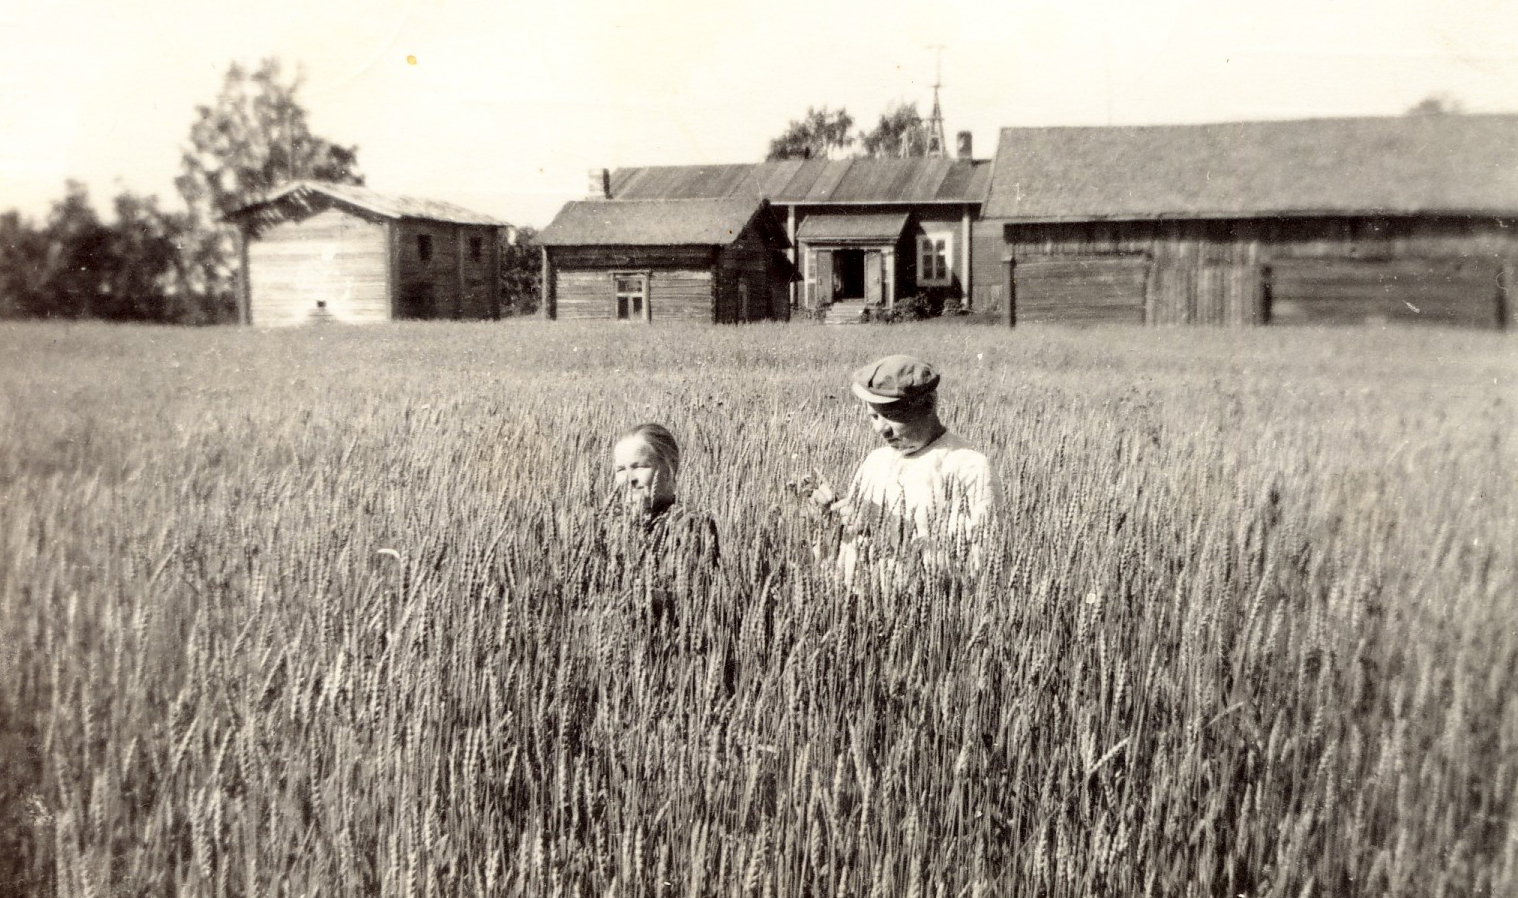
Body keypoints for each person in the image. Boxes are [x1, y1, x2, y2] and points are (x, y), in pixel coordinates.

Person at [807, 354, 999, 588]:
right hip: (856, 607)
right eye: (873, 416)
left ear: (928, 406)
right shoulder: (875, 461)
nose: (880, 428)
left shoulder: (969, 467)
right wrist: (828, 521)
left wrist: (890, 529)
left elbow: (980, 570)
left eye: (892, 417)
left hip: (924, 613)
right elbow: (839, 555)